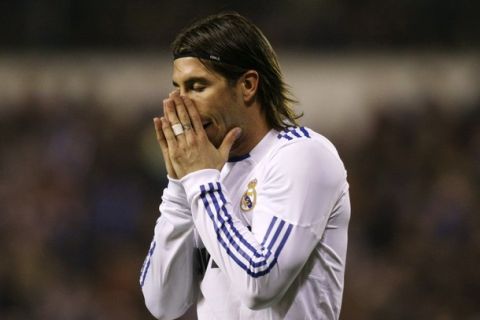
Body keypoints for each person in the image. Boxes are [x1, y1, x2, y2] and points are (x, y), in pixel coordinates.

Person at [140, 12, 350, 320]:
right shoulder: (208, 175)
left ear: (248, 85)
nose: (181, 105)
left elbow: (260, 282)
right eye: (178, 88)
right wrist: (178, 187)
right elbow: (163, 303)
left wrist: (199, 181)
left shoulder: (302, 156)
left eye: (197, 86)